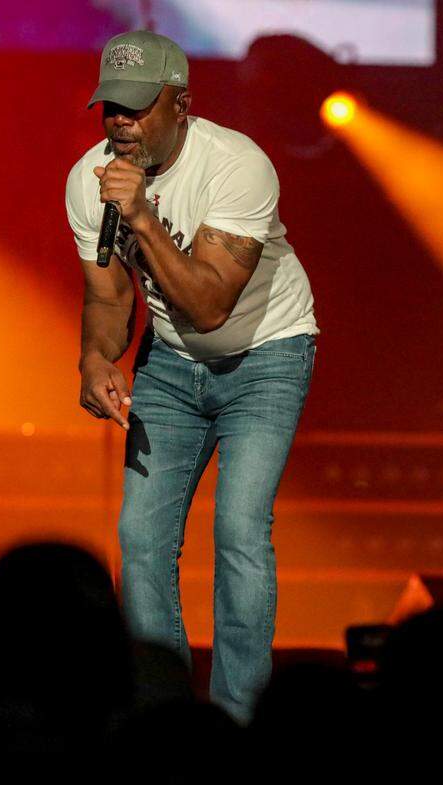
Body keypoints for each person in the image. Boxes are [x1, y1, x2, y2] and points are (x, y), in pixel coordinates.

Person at [65, 30, 319, 721]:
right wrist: (95, 359)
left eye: (138, 107)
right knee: (141, 537)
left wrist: (142, 213)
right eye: (110, 108)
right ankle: (163, 713)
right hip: (172, 366)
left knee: (239, 529)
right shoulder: (89, 183)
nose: (120, 123)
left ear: (181, 104)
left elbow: (208, 306)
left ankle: (239, 719)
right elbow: (111, 299)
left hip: (266, 355)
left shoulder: (238, 166)